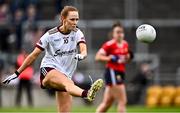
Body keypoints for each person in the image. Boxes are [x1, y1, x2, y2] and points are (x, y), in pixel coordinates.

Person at [2, 6, 103, 113]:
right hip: (48, 70)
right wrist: (17, 73)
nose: (75, 22)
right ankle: (87, 93)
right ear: (63, 19)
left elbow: (83, 49)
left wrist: (82, 55)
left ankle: (86, 93)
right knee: (68, 83)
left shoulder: (78, 33)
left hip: (65, 76)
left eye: (77, 19)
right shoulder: (50, 35)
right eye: (72, 19)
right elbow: (33, 55)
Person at [95, 22, 133, 113]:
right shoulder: (109, 45)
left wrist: (128, 58)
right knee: (122, 101)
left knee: (107, 103)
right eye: (117, 32)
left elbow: (125, 59)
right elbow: (97, 57)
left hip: (121, 72)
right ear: (113, 34)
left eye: (121, 32)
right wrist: (109, 58)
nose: (120, 34)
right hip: (112, 72)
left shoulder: (125, 44)